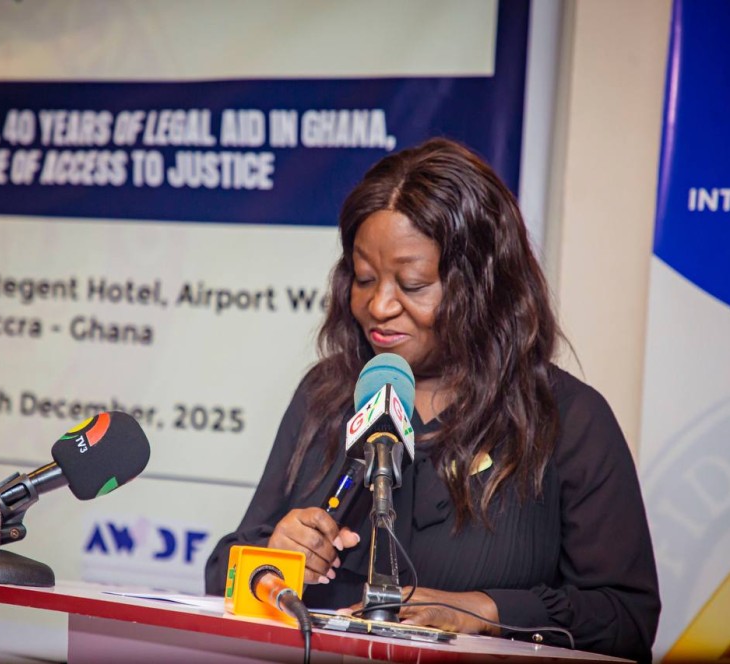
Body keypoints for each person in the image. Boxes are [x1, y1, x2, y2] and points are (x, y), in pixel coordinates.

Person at [204, 137, 660, 662]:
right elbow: (222, 574)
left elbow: (626, 619)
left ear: (484, 286)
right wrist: (272, 558)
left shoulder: (569, 419)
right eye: (364, 278)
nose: (379, 305)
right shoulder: (325, 397)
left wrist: (482, 611)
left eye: (414, 284)